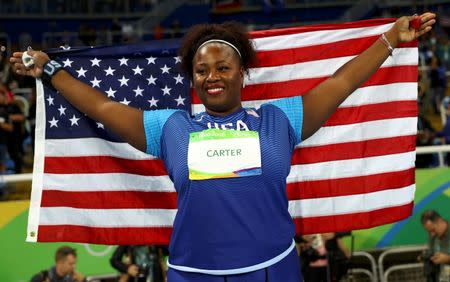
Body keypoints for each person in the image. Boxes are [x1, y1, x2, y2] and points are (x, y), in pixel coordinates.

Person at [12, 13, 436, 282]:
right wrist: (49, 69)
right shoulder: (172, 127)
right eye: (201, 70)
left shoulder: (278, 119)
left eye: (222, 67)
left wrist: (391, 39)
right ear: (192, 79)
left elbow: (340, 83)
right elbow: (103, 105)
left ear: (242, 73)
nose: (211, 76)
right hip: (193, 272)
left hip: (275, 269)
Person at [420, 210, 450, 282]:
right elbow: (432, 252)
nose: (432, 234)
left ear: (440, 221)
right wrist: (426, 258)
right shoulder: (432, 235)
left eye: (433, 230)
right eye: (429, 231)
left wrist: (448, 259)